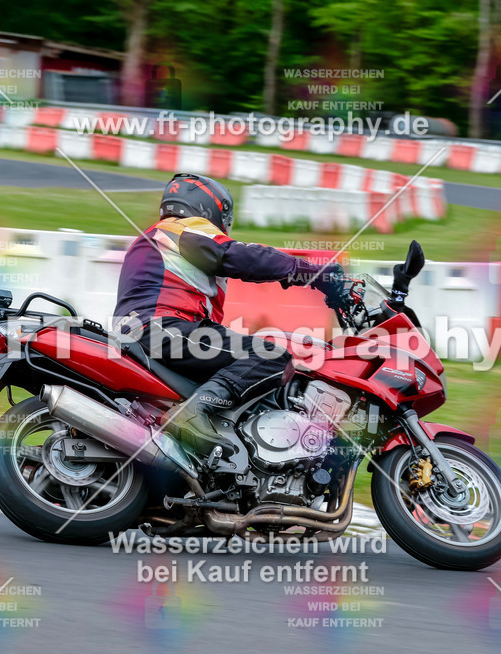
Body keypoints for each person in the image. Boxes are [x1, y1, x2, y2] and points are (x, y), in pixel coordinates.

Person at [112, 172, 346, 455]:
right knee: (270, 356)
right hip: (163, 329)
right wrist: (313, 273)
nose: (224, 226)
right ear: (207, 206)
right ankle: (194, 413)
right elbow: (241, 257)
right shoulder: (182, 229)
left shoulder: (154, 238)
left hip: (146, 332)